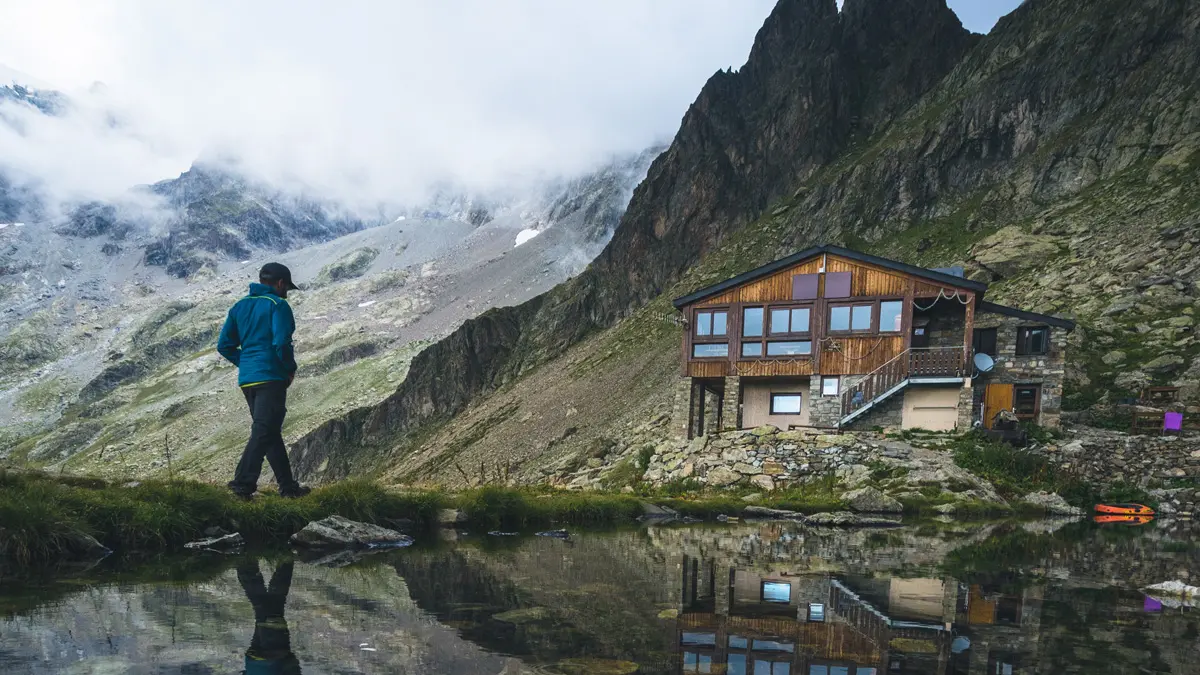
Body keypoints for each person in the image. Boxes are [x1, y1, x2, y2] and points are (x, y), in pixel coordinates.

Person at [218, 262, 310, 499]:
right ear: (280, 284)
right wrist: (289, 369)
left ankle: (288, 488)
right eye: (286, 287)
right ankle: (242, 485)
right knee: (263, 431)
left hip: (248, 380)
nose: (287, 292)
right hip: (271, 377)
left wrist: (246, 362)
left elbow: (224, 346)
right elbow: (281, 343)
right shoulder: (278, 305)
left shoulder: (239, 307)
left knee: (269, 431)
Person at [237, 558, 302, 675]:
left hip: (274, 655)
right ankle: (246, 561)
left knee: (272, 612)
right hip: (254, 660)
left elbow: (292, 667)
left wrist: (289, 658)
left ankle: (247, 561)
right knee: (266, 609)